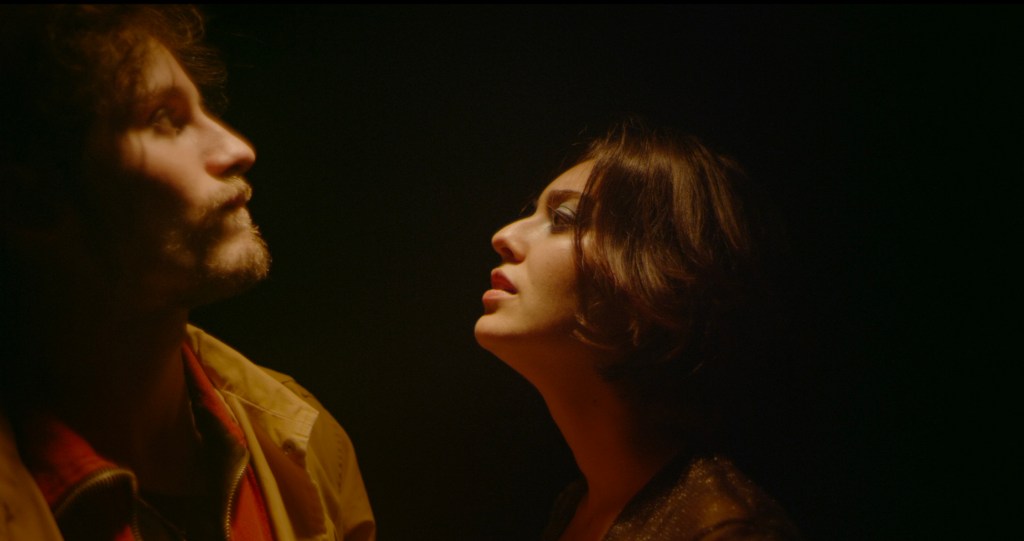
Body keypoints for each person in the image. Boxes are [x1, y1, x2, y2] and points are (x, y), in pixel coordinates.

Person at [0, 5, 375, 540]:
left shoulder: (300, 443)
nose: (237, 149)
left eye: (203, 111)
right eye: (164, 118)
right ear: (29, 200)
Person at [474, 118, 801, 541]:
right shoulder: (575, 507)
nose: (504, 235)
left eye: (564, 218)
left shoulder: (725, 529)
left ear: (657, 273)